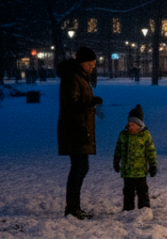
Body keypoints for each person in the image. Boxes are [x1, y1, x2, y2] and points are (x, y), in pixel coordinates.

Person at [57, 46, 103, 220]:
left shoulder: (79, 77)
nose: (93, 67)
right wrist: (90, 103)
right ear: (83, 63)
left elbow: (77, 102)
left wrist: (91, 101)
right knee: (79, 168)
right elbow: (72, 105)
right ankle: (72, 208)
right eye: (91, 64)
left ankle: (74, 207)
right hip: (75, 129)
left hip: (78, 128)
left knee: (81, 168)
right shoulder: (72, 78)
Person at [112, 104, 157, 211]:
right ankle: (128, 209)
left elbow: (151, 151)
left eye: (132, 124)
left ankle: (144, 209)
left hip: (140, 171)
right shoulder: (123, 135)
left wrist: (153, 165)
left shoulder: (145, 135)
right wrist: (116, 161)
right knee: (128, 191)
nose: (129, 126)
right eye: (128, 124)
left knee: (142, 191)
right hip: (127, 171)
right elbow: (118, 149)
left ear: (139, 125)